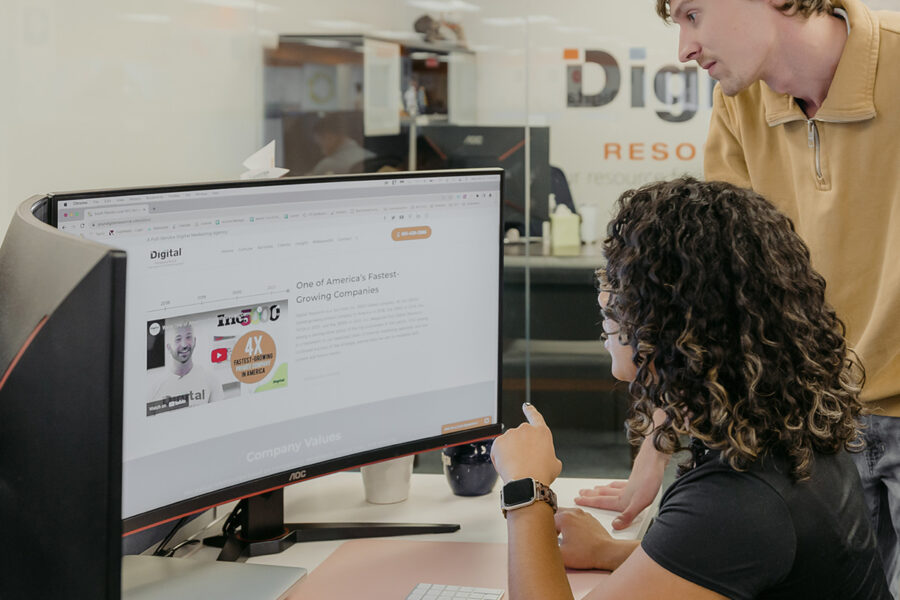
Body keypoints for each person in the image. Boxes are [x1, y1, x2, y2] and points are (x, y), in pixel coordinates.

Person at [580, 2, 900, 593]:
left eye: (692, 15)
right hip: (826, 418)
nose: (684, 47)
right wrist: (657, 447)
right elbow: (710, 294)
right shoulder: (738, 100)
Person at [491, 177, 889, 599]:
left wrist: (528, 488)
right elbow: (722, 568)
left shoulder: (738, 501)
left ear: (678, 321)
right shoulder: (785, 429)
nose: (605, 298)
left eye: (624, 283)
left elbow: (727, 538)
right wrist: (613, 553)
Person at [149, 321, 222, 412]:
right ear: (168, 346)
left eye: (188, 337)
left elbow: (217, 417)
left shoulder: (211, 379)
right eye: (178, 339)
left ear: (194, 341)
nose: (184, 345)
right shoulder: (154, 386)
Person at [307, 113, 374, 176]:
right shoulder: (371, 156)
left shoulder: (327, 165)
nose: (321, 151)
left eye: (320, 145)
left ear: (329, 137)